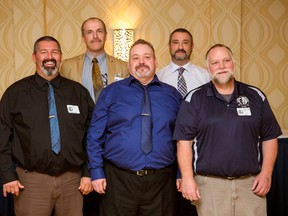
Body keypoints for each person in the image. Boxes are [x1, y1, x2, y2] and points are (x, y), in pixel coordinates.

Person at [173, 43, 282, 216]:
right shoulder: (194, 99)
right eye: (215, 62)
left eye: (226, 60)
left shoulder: (255, 96)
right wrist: (187, 178)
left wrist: (266, 173)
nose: (222, 66)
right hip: (209, 186)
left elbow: (269, 137)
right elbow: (183, 142)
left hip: (251, 185)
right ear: (208, 68)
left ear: (233, 63)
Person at [0, 36, 95, 216]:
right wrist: (7, 176)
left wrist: (87, 172)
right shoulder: (15, 93)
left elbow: (92, 136)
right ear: (34, 57)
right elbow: (2, 138)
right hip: (31, 182)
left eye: (55, 52)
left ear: (60, 57)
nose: (49, 56)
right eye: (43, 52)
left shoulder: (78, 93)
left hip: (72, 182)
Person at [87, 39, 182, 216]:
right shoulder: (111, 93)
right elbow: (94, 136)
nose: (141, 62)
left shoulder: (173, 95)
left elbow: (182, 139)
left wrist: (181, 173)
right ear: (129, 63)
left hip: (161, 183)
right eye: (135, 58)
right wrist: (96, 171)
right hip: (118, 181)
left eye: (147, 57)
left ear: (155, 62)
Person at [60, 17, 129, 103]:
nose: (95, 36)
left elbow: (127, 99)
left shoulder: (124, 67)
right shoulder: (67, 66)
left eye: (99, 31)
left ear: (106, 35)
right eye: (89, 32)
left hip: (113, 116)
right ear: (83, 38)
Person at [157, 28, 210, 98]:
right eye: (176, 42)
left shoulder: (206, 76)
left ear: (192, 46)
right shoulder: (158, 78)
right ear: (169, 46)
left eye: (185, 43)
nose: (180, 47)